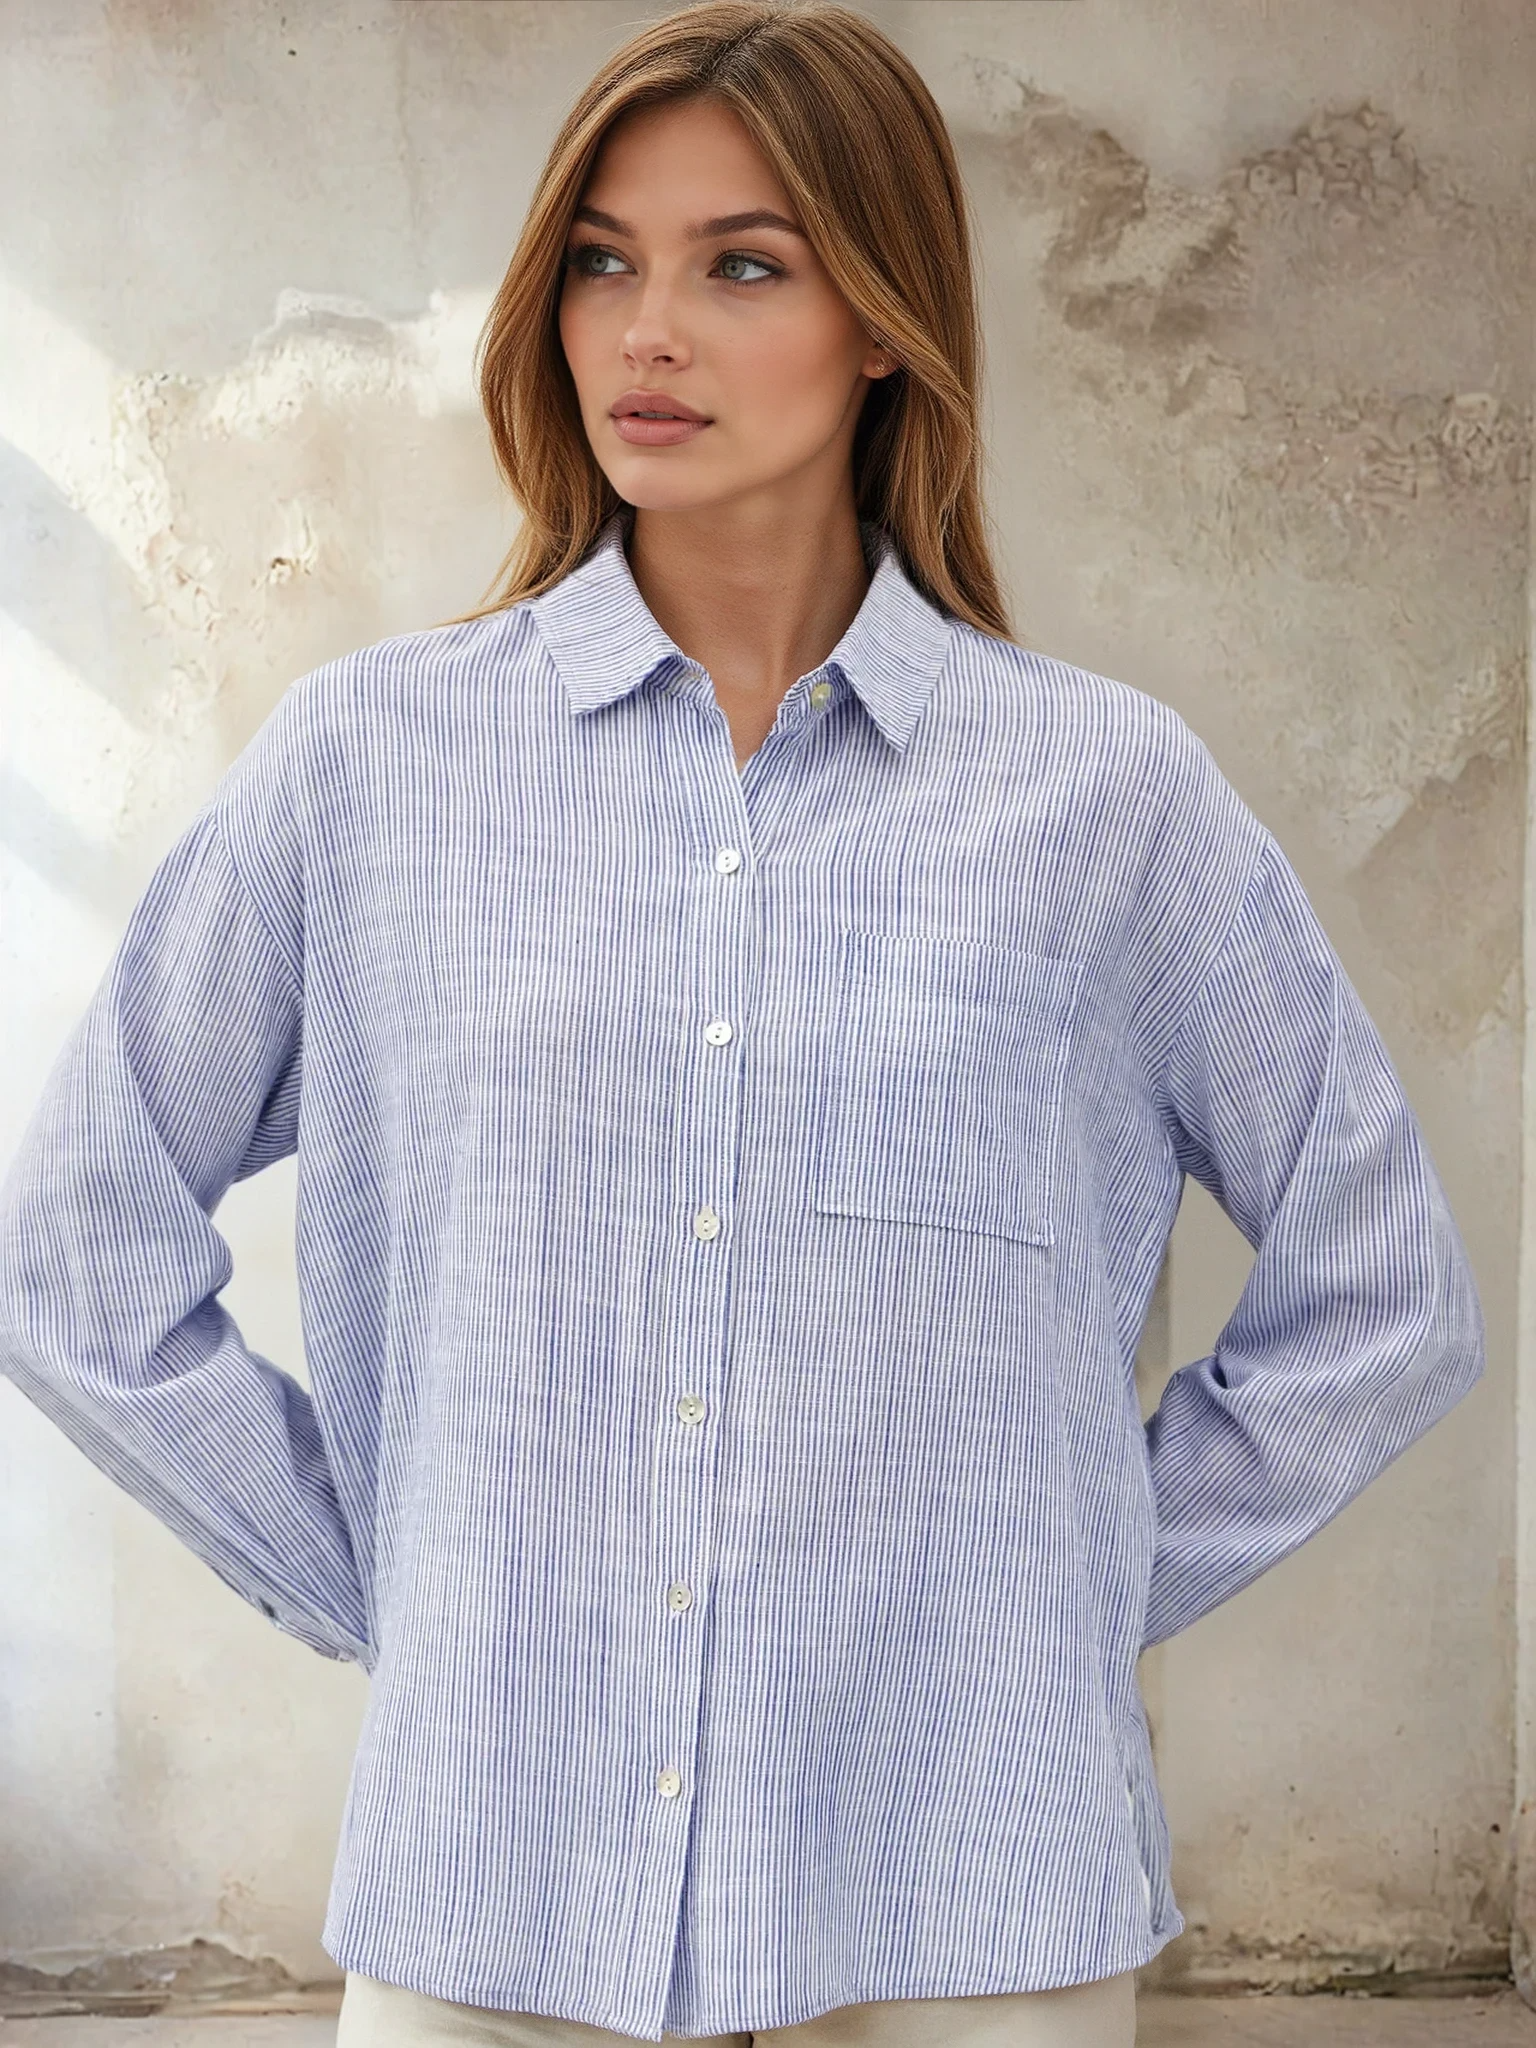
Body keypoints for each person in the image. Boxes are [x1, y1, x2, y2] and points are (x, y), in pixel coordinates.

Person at [0, 4, 1483, 2045]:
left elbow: (1384, 1292)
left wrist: (1058, 1593)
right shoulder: (371, 772)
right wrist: (407, 1588)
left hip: (971, 1902)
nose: (647, 331)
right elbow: (76, 1253)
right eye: (603, 260)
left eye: (743, 265)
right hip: (496, 1898)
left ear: (884, 319)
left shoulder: (1105, 803)